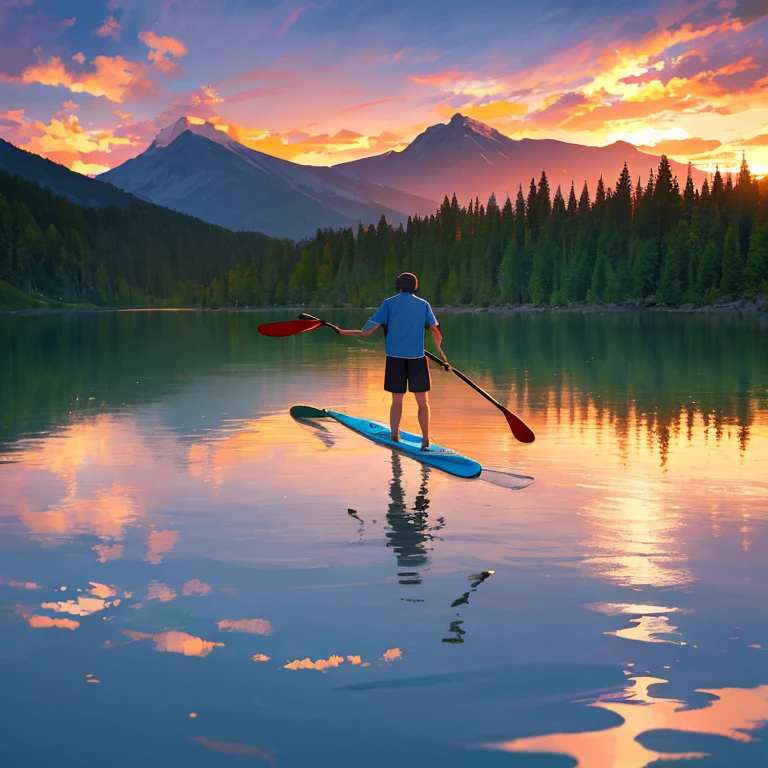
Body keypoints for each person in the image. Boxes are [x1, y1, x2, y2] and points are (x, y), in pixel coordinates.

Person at [336, 272, 449, 450]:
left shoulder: (388, 304)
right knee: (423, 402)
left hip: (395, 360)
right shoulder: (424, 305)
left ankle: (394, 435)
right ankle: (426, 440)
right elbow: (435, 331)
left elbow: (366, 332)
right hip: (417, 360)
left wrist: (343, 332)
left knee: (397, 401)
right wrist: (442, 355)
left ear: (399, 286)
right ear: (415, 286)